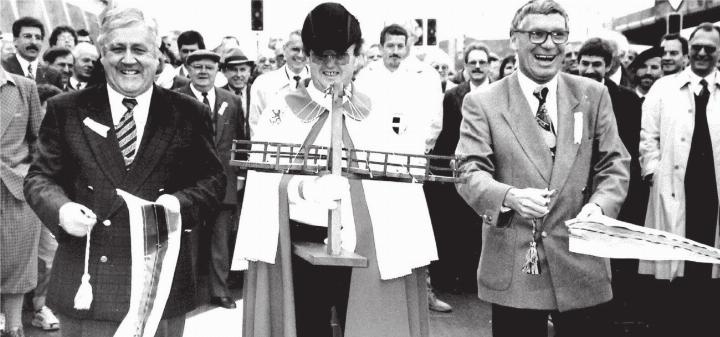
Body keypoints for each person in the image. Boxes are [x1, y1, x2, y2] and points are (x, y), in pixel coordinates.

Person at [235, 3, 437, 336]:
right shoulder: (280, 110)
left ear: (357, 55)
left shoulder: (380, 112)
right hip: (299, 244)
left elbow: (401, 190)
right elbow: (262, 184)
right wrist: (301, 188)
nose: (331, 65)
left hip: (366, 248)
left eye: (341, 56)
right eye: (320, 56)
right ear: (308, 56)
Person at [24, 7, 225, 337]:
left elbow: (213, 181)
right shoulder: (67, 109)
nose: (128, 59)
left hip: (159, 292)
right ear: (102, 55)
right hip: (86, 286)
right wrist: (61, 209)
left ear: (156, 56)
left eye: (139, 49)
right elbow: (39, 178)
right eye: (117, 49)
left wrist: (177, 205)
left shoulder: (188, 113)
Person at [455, 1, 630, 336]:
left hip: (581, 264)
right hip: (517, 267)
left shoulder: (593, 95)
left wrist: (599, 205)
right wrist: (509, 196)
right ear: (514, 39)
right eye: (536, 34)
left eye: (558, 35)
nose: (548, 45)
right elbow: (468, 170)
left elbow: (615, 163)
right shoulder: (483, 102)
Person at [638, 22, 720, 337]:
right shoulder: (664, 88)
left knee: (709, 273)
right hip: (673, 190)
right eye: (696, 47)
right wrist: (653, 172)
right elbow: (648, 138)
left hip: (712, 194)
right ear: (688, 51)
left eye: (709, 49)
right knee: (674, 273)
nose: (701, 53)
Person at [576, 36, 647, 332]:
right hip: (577, 189)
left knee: (612, 260)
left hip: (613, 190)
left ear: (608, 66)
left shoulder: (627, 100)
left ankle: (611, 319)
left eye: (596, 64)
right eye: (585, 63)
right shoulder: (568, 95)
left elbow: (626, 149)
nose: (590, 69)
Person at [176, 49, 247, 310]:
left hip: (223, 182)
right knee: (190, 240)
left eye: (209, 67)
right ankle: (188, 293)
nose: (203, 71)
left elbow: (241, 141)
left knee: (221, 241)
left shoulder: (232, 100)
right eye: (198, 67)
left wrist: (239, 176)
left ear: (218, 71)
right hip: (189, 184)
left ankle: (220, 290)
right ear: (188, 70)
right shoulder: (177, 99)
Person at [1, 48, 43, 337]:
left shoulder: (24, 87)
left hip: (15, 187)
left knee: (17, 259)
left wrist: (33, 178)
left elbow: (40, 140)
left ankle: (14, 326)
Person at [249, 30, 309, 136]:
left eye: (305, 50)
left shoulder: (322, 83)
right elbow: (255, 126)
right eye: (295, 49)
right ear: (284, 50)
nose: (300, 55)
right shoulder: (263, 84)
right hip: (274, 150)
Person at [2, 17, 64, 89]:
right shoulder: (3, 68)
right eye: (27, 36)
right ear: (15, 40)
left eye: (38, 37)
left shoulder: (53, 74)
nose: (34, 42)